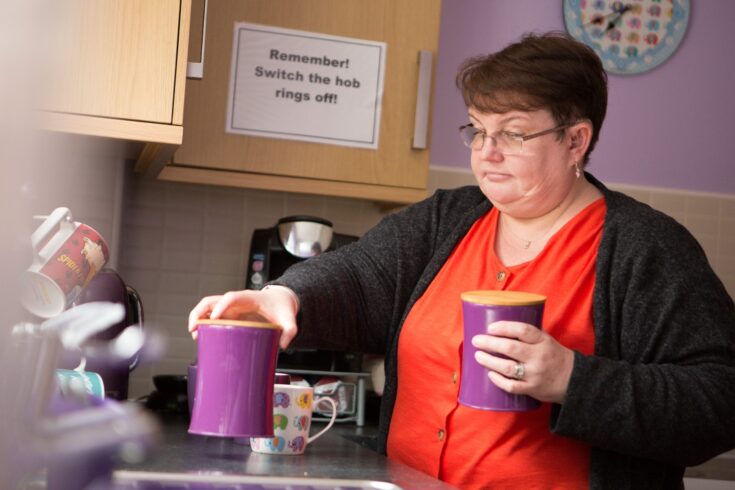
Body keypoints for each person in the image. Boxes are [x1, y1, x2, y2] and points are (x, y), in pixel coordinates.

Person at [189, 32, 735, 489]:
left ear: (576, 139)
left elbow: (719, 398)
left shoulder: (646, 248)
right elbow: (359, 277)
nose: (486, 152)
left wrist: (575, 379)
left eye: (513, 133)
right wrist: (283, 296)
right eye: (477, 129)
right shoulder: (449, 218)